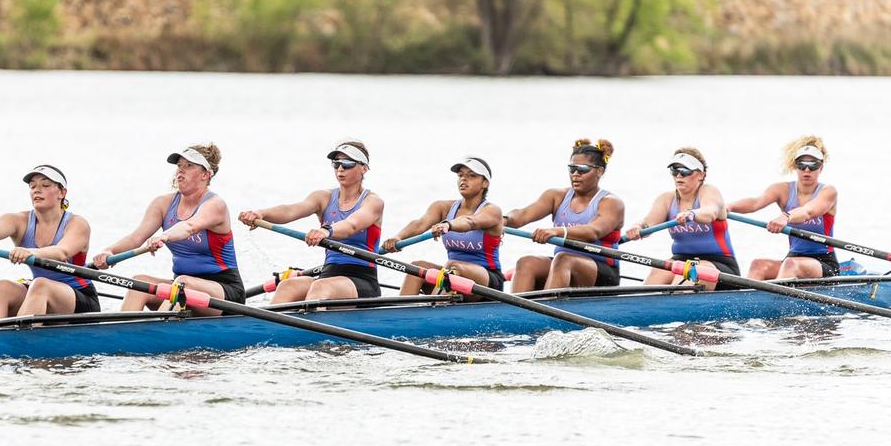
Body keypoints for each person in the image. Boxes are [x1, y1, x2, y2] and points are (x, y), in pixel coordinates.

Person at [90, 145, 245, 314]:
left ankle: (155, 330)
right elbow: (136, 238)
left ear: (206, 175)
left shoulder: (215, 205)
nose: (181, 170)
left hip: (224, 292)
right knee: (138, 283)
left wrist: (164, 237)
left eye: (189, 166)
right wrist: (109, 251)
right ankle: (119, 334)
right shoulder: (163, 204)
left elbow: (189, 226)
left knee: (183, 283)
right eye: (179, 165)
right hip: (180, 287)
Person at [237, 141, 385, 304]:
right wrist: (261, 214)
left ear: (364, 168)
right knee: (287, 286)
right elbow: (291, 210)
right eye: (336, 164)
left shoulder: (373, 202)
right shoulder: (323, 197)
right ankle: (269, 329)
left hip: (361, 279)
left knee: (321, 288)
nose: (340, 169)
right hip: (328, 274)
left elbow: (352, 225)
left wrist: (325, 231)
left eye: (347, 164)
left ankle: (309, 322)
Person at [0, 164, 99, 320]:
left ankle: (20, 340)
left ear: (62, 193)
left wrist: (30, 252)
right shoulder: (20, 221)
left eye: (45, 185)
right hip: (38, 291)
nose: (37, 190)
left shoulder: (77, 224)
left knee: (41, 285)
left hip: (80, 296)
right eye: (32, 186)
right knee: (0, 287)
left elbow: (62, 252)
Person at [505, 138, 625, 292]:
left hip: (602, 271)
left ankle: (547, 310)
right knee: (526, 262)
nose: (575, 174)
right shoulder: (556, 196)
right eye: (572, 169)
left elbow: (592, 232)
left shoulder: (611, 203)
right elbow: (522, 215)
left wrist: (557, 231)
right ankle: (516, 313)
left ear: (599, 171)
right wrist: (503, 220)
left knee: (563, 259)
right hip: (561, 266)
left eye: (582, 169)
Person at [381, 156, 504, 297]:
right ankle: (400, 315)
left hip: (487, 281)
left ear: (485, 183)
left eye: (472, 176)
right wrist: (398, 237)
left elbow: (470, 222)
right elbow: (420, 224)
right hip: (452, 276)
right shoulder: (443, 207)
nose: (464, 179)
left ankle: (434, 307)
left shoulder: (492, 211)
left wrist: (448, 224)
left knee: (453, 266)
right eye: (461, 175)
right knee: (416, 267)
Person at [621, 147, 738, 289]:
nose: (679, 176)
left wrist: (692, 214)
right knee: (657, 273)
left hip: (720, 264)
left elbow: (710, 212)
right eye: (674, 171)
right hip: (680, 260)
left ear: (701, 174)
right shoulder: (666, 199)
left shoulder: (709, 191)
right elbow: (648, 222)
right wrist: (637, 226)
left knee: (689, 272)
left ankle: (673, 301)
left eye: (685, 171)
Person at [726, 135, 840, 280]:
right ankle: (745, 303)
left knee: (790, 265)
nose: (807, 170)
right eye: (801, 164)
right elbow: (755, 203)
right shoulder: (783, 190)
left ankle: (776, 302)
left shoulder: (828, 192)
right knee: (758, 265)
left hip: (823, 261)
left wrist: (785, 217)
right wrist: (728, 207)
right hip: (793, 258)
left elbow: (808, 211)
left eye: (813, 165)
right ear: (795, 166)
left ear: (821, 168)